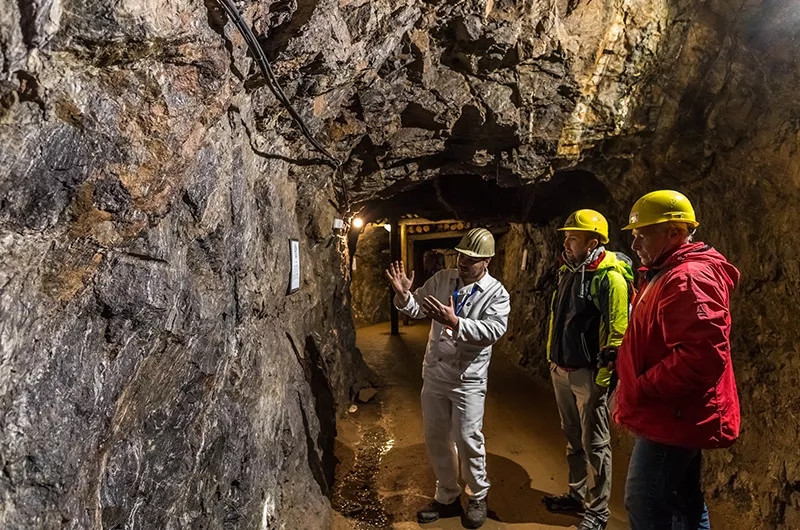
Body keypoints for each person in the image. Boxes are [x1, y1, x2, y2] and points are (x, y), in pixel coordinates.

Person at [614, 190, 741, 530]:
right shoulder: (665, 271)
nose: (635, 244)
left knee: (645, 502)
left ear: (674, 232)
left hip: (673, 415)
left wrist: (641, 387)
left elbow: (701, 357)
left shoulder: (688, 278)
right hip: (671, 412)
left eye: (643, 234)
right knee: (682, 501)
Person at [385, 228, 510, 529]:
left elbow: (494, 331)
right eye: (461, 255)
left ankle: (478, 494)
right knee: (436, 437)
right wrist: (403, 296)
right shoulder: (442, 280)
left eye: (471, 258)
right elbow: (416, 308)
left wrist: (456, 323)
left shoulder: (497, 294)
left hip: (468, 379)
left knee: (467, 439)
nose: (463, 262)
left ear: (487, 261)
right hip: (436, 374)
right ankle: (447, 496)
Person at [542, 209, 634, 530]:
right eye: (567, 237)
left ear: (592, 242)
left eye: (573, 238)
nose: (566, 243)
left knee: (596, 444)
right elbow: (558, 316)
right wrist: (552, 358)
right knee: (573, 437)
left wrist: (604, 380)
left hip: (588, 375)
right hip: (562, 369)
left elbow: (617, 332)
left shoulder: (610, 278)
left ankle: (597, 511)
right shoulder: (568, 269)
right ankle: (577, 494)